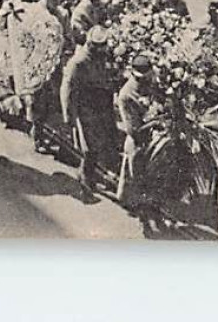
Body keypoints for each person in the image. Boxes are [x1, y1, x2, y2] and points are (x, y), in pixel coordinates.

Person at [60, 25, 121, 200]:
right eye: (99, 45)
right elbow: (68, 88)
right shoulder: (78, 62)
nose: (103, 48)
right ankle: (85, 179)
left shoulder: (103, 56)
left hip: (103, 104)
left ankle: (92, 173)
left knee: (105, 141)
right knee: (90, 145)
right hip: (87, 106)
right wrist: (68, 115)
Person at [116, 55, 158, 233]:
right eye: (141, 78)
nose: (145, 81)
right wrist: (152, 121)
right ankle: (142, 215)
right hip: (138, 138)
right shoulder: (126, 95)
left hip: (154, 132)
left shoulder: (152, 81)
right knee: (136, 174)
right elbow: (132, 127)